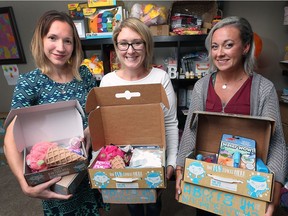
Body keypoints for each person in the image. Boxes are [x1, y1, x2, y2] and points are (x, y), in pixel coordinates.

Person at [175, 16, 288, 216]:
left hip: (246, 183)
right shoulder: (202, 86)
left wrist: (276, 186)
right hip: (207, 181)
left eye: (228, 45)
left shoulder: (263, 88)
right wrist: (180, 168)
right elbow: (191, 132)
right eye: (215, 46)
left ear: (245, 47)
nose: (219, 53)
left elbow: (277, 141)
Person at [4, 10, 109, 215]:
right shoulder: (30, 82)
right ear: (41, 39)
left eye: (67, 41)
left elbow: (94, 112)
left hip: (88, 164)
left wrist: (89, 128)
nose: (60, 48)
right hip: (56, 173)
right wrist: (23, 183)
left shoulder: (84, 75)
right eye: (53, 38)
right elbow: (10, 137)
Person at [99, 17, 179, 216]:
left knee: (153, 204)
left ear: (146, 45)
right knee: (133, 203)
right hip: (122, 161)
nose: (130, 50)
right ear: (116, 46)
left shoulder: (160, 78)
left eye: (137, 42)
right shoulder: (108, 82)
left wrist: (171, 161)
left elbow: (170, 123)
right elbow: (104, 128)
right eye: (124, 43)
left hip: (155, 159)